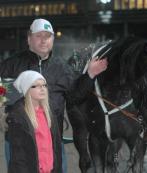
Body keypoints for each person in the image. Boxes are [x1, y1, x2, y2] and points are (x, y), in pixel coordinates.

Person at [0, 18, 108, 172]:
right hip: (19, 141)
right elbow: (2, 94)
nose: (44, 40)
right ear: (29, 39)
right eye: (39, 36)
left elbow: (74, 96)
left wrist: (90, 74)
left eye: (47, 36)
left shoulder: (61, 67)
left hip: (52, 139)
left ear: (52, 40)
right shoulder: (10, 65)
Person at [7, 70, 62, 173]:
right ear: (26, 89)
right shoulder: (18, 118)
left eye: (44, 85)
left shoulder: (49, 113)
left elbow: (56, 149)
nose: (42, 89)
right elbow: (19, 156)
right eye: (35, 86)